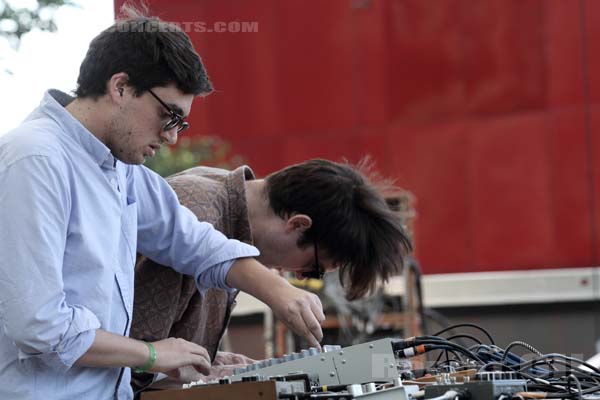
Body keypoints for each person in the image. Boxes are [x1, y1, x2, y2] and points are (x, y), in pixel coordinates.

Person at [0, 7, 325, 400]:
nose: (172, 138)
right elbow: (39, 326)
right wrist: (152, 354)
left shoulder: (117, 167)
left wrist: (276, 289)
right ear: (120, 88)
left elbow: (188, 240)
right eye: (169, 115)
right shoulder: (36, 159)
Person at [131, 159, 413, 390]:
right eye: (313, 268)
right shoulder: (199, 211)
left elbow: (176, 357)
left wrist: (247, 369)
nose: (302, 278)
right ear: (298, 224)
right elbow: (136, 366)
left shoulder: (230, 210)